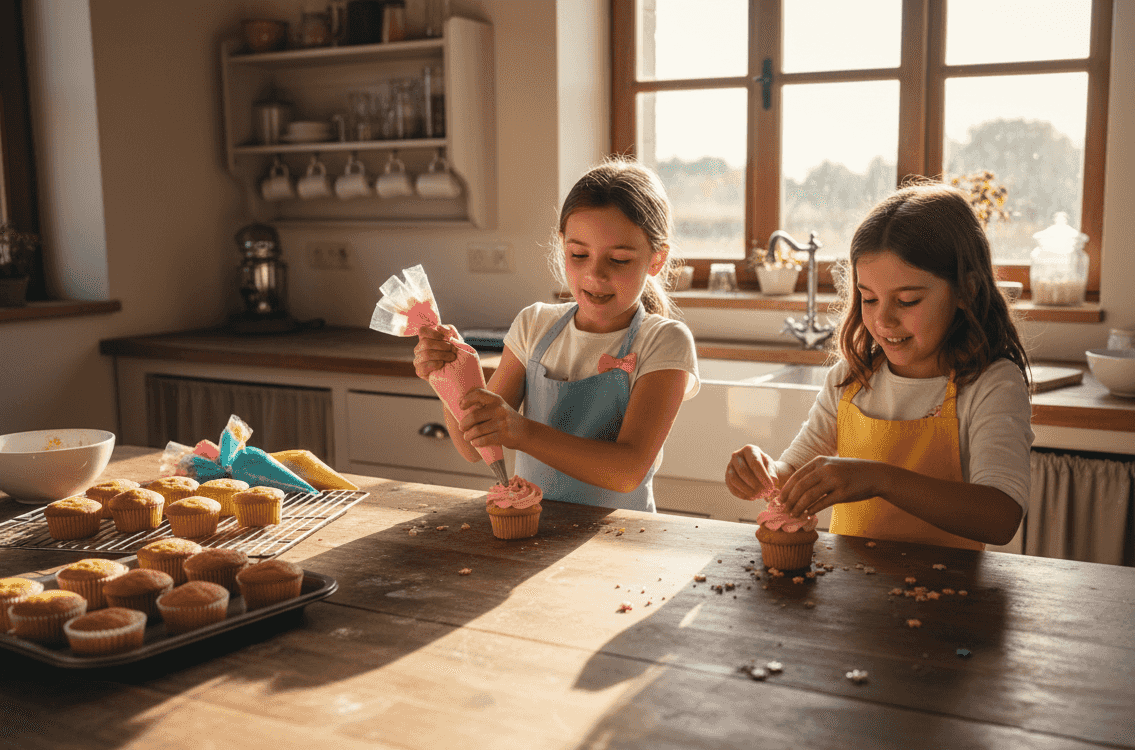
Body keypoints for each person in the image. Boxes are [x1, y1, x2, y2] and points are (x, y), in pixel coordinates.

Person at [724, 182, 1031, 549]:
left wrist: (880, 479)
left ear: (966, 290)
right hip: (851, 594)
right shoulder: (851, 380)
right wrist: (761, 475)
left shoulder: (990, 385)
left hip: (950, 598)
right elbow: (793, 474)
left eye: (907, 300)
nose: (883, 320)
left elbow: (1000, 518)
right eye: (868, 299)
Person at [413, 158, 699, 513]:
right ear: (562, 245)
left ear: (656, 260)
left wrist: (521, 431)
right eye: (579, 254)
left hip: (624, 542)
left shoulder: (664, 341)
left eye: (620, 260)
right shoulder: (534, 325)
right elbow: (473, 448)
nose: (595, 275)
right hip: (532, 531)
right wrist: (450, 376)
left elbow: (627, 471)